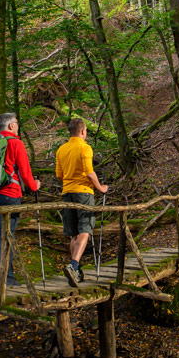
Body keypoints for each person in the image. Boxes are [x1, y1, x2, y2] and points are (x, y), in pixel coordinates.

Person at [0, 113, 41, 293]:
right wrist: (34, 186)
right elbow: (25, 173)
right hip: (10, 194)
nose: (18, 126)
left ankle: (8, 277)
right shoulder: (15, 143)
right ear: (11, 126)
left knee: (6, 234)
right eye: (17, 123)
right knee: (4, 236)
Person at [55, 118, 108, 287]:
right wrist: (101, 188)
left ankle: (75, 272)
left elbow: (59, 175)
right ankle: (74, 265)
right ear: (83, 131)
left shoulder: (61, 149)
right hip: (83, 192)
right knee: (85, 229)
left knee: (74, 233)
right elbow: (89, 173)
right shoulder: (85, 148)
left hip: (67, 192)